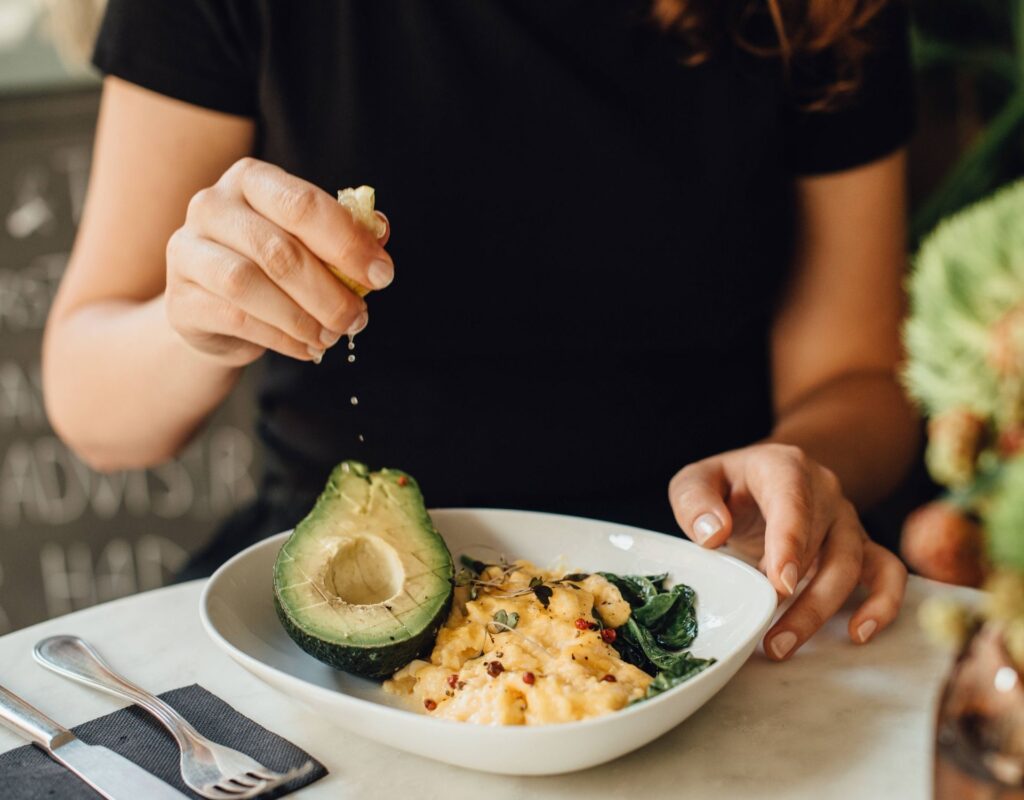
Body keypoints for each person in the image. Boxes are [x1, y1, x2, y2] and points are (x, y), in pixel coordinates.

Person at [42, 0, 918, 662]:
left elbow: (858, 375)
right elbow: (95, 405)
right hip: (322, 600)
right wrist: (197, 322)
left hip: (703, 584)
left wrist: (802, 467)